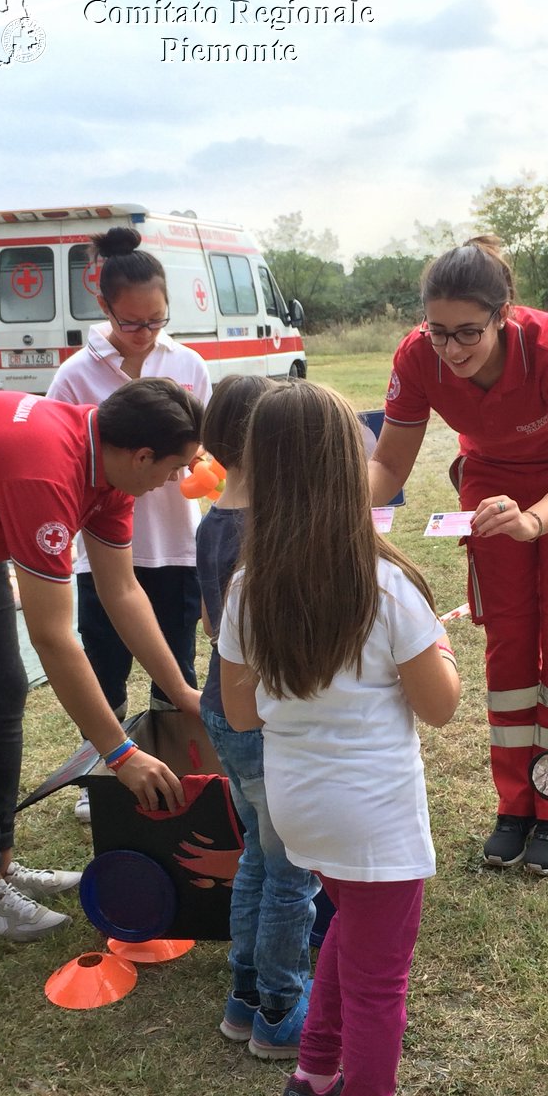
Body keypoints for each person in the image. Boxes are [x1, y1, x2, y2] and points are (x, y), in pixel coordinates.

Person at [218, 381, 459, 1096]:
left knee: (348, 933)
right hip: (376, 817)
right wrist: (444, 655)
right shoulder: (387, 586)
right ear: (346, 468)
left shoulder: (246, 589)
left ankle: (313, 1084)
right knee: (379, 984)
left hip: (299, 810)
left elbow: (242, 713)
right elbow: (440, 707)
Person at [368, 236, 548, 874]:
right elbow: (390, 462)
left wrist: (532, 522)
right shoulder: (416, 357)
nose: (451, 350)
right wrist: (336, 514)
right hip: (490, 480)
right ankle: (515, 805)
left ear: (504, 315)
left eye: (468, 334)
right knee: (508, 641)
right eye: (438, 332)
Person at [0, 378, 203, 941]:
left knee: (9, 692)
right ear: (142, 456)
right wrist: (119, 753)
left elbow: (122, 592)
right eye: (173, 469)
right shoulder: (46, 474)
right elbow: (53, 636)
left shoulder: (109, 463)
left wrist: (181, 692)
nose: (174, 481)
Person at [47, 226, 211, 824]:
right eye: (132, 323)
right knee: (105, 664)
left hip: (172, 543)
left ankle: (180, 764)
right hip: (103, 551)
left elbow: (206, 448)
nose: (145, 335)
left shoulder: (187, 364)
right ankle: (107, 774)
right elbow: (71, 459)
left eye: (157, 322)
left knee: (175, 664)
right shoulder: (75, 375)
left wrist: (196, 468)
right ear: (105, 309)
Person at [196, 374, 318, 1057]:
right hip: (266, 721)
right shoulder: (265, 532)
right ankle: (279, 1006)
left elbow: (215, 625)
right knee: (291, 872)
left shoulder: (211, 519)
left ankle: (243, 997)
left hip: (223, 709)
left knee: (258, 861)